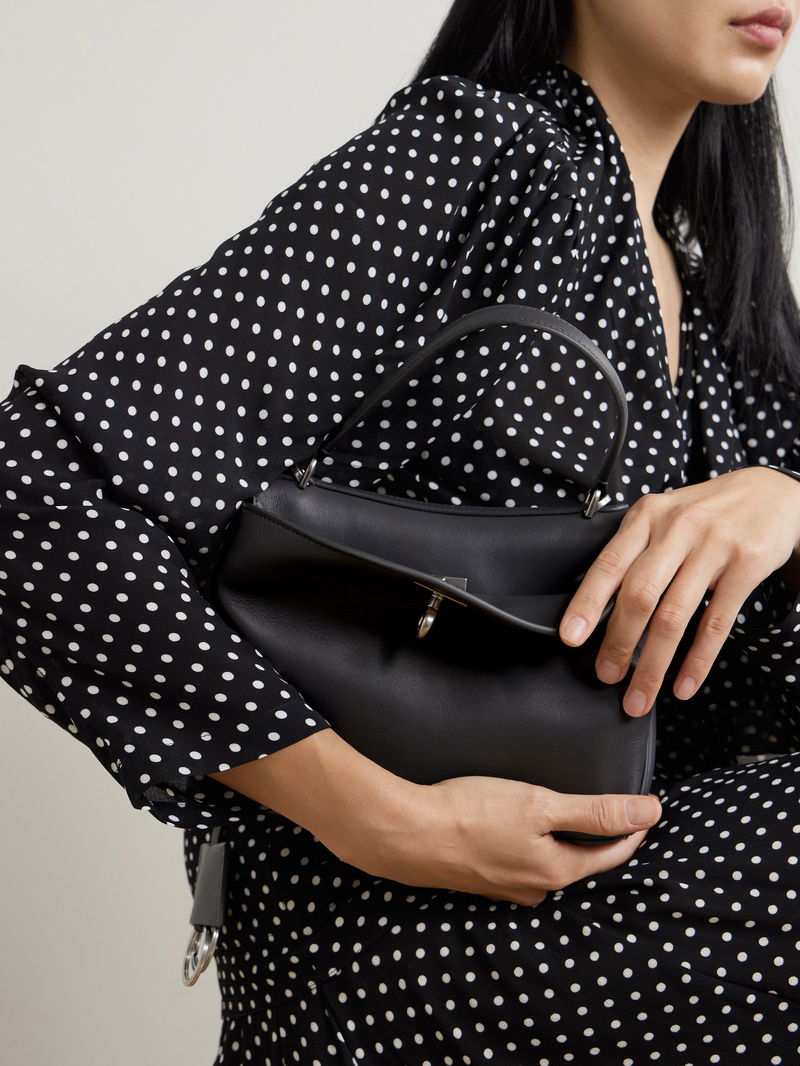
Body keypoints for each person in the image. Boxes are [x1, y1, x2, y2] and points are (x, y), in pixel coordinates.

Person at [2, 0, 800, 1061]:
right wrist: (377, 817)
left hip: (612, 897)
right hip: (386, 935)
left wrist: (788, 506)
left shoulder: (721, 305)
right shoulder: (480, 158)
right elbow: (26, 492)